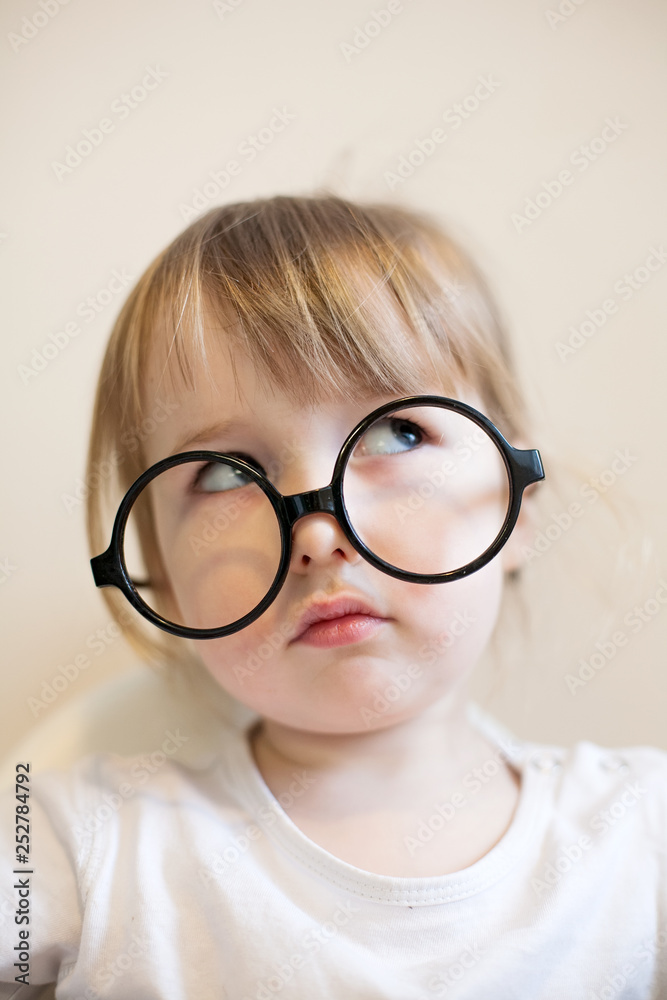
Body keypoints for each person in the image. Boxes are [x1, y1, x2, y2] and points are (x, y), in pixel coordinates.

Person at [1, 195, 665, 998]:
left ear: (515, 501)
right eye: (223, 473)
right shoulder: (70, 842)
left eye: (397, 434)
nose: (317, 535)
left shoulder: (641, 834)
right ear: (163, 574)